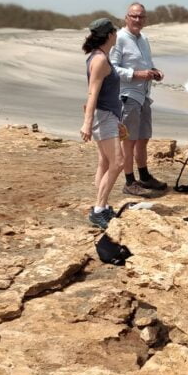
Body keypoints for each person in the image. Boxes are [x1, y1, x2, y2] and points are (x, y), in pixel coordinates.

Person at [109, 2, 167, 195]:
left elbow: (148, 64)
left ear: (145, 19)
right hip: (127, 96)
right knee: (129, 140)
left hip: (144, 96)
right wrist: (136, 74)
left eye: (141, 17)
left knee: (143, 138)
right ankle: (129, 181)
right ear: (126, 17)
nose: (137, 20)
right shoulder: (119, 39)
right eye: (133, 16)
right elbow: (112, 68)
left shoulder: (144, 39)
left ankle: (144, 176)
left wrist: (155, 72)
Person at [80, 18, 124, 229]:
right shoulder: (99, 60)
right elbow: (92, 93)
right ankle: (98, 210)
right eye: (114, 31)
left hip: (108, 115)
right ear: (108, 35)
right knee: (118, 162)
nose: (117, 34)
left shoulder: (99, 57)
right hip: (103, 115)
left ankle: (102, 205)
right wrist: (87, 123)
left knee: (105, 162)